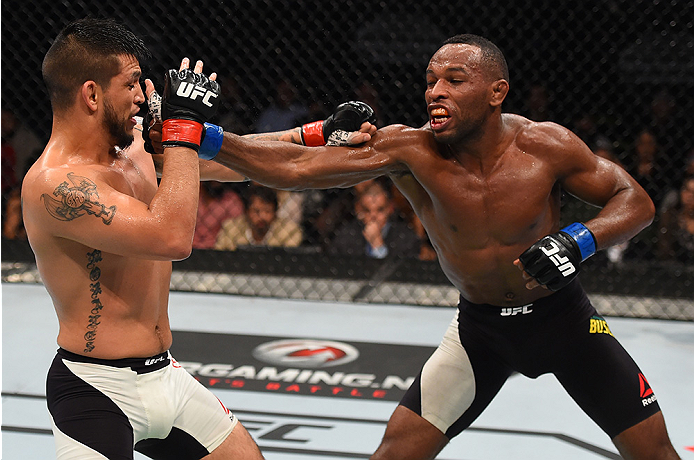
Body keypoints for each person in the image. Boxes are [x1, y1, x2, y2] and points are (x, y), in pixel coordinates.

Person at [199, 34, 680, 459]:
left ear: (497, 92)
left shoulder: (544, 144)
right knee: (396, 452)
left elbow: (635, 200)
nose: (435, 92)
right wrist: (200, 136)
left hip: (568, 322)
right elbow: (294, 170)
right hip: (481, 333)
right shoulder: (410, 150)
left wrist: (580, 240)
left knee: (655, 452)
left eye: (454, 80)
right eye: (430, 80)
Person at [21, 18, 266, 459]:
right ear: (92, 94)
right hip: (95, 390)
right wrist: (184, 125)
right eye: (132, 83)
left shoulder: (134, 146)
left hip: (165, 373)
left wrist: (318, 135)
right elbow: (171, 237)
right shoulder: (55, 185)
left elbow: (235, 160)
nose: (143, 96)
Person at [329, 178, 420, 259]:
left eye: (380, 210)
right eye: (367, 210)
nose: (373, 216)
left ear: (390, 208)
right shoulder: (346, 236)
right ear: (358, 209)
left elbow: (403, 273)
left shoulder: (406, 238)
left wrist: (378, 245)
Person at [214, 184, 302, 251]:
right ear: (246, 212)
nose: (262, 216)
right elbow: (219, 253)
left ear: (275, 213)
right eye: (256, 211)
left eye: (267, 211)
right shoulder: (231, 228)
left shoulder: (289, 231)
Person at [193, 181, 244, 249]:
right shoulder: (193, 194)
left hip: (218, 249)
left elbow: (235, 229)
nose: (215, 182)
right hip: (189, 247)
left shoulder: (231, 200)